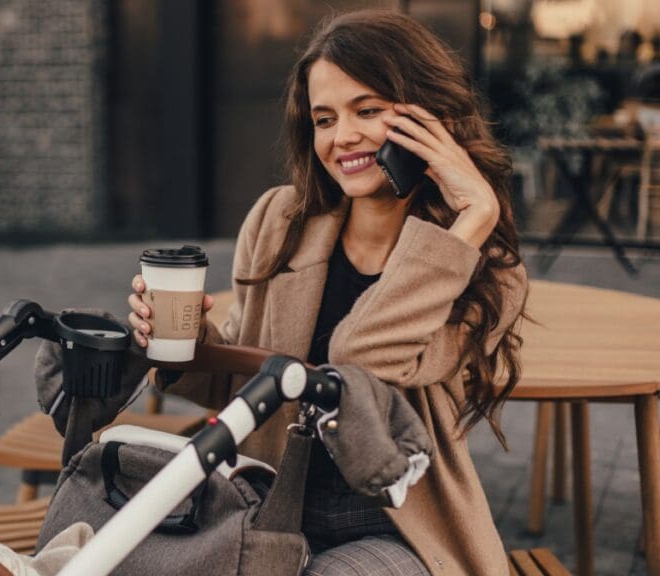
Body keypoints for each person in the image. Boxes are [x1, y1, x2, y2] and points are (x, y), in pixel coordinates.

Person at [127, 10, 528, 576]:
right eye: (324, 118)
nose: (343, 137)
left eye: (368, 110)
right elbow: (238, 387)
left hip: (396, 524)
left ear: (431, 120)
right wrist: (188, 339)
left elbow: (362, 355)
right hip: (262, 504)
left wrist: (474, 217)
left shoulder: (480, 264)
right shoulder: (280, 219)